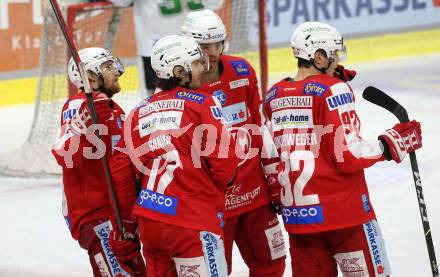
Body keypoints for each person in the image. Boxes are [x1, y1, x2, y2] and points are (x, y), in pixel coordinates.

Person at [263, 21, 423, 277]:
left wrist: (328, 82)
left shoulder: (272, 96)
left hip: (299, 221)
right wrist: (392, 142)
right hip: (345, 218)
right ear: (318, 56)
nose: (338, 60)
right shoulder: (333, 89)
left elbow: (270, 155)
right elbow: (349, 153)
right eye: (334, 54)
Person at [108, 35, 239, 277]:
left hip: (151, 223)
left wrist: (127, 222)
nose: (203, 68)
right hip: (192, 222)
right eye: (197, 63)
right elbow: (225, 165)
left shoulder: (137, 111)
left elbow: (119, 171)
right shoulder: (203, 103)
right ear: (179, 71)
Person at [181, 9, 287, 276]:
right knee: (214, 272)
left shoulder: (242, 69)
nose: (214, 51)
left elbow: (260, 126)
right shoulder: (180, 88)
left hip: (255, 195)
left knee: (272, 263)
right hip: (212, 205)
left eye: (218, 43)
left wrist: (273, 176)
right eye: (205, 46)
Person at [51, 47, 145, 276]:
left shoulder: (115, 110)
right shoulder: (78, 105)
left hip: (115, 213)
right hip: (95, 214)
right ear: (90, 76)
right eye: (107, 67)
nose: (116, 72)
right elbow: (64, 155)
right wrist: (80, 130)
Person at [109, 0, 223, 96]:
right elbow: (215, 3)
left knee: (155, 102)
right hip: (193, 48)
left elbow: (120, 1)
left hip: (155, 52)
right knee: (206, 95)